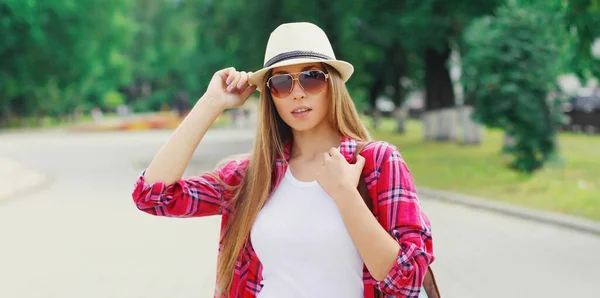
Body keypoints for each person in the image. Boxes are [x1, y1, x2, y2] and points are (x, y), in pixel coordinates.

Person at [132, 22, 435, 298]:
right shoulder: (254, 176)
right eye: (282, 83)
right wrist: (212, 104)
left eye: (311, 78)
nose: (298, 93)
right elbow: (153, 196)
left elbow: (405, 282)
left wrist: (346, 195)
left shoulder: (376, 163)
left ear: (333, 84)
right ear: (271, 96)